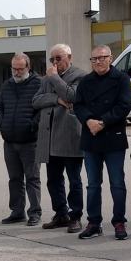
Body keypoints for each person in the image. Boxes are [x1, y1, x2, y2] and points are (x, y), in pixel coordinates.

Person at [74, 46, 131, 240]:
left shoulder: (121, 79)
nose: (98, 62)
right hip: (91, 138)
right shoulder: (85, 81)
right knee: (92, 185)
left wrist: (103, 122)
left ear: (111, 58)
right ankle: (93, 222)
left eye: (102, 58)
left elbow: (124, 105)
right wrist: (89, 120)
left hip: (113, 136)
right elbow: (78, 105)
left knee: (117, 183)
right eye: (94, 59)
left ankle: (119, 222)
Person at [33, 43, 86, 232]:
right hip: (50, 137)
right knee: (53, 179)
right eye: (52, 59)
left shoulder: (80, 75)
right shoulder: (46, 79)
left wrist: (55, 78)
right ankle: (61, 213)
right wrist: (55, 99)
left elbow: (71, 95)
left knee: (74, 180)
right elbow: (36, 100)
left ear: (69, 58)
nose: (55, 62)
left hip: (70, 136)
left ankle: (76, 215)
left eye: (59, 58)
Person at [0, 54, 42, 226]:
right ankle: (17, 211)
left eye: (20, 69)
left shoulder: (38, 83)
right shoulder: (7, 85)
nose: (16, 72)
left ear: (28, 67)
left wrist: (32, 125)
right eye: (14, 68)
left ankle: (35, 212)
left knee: (32, 178)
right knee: (14, 179)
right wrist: (0, 123)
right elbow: (0, 106)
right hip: (9, 141)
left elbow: (41, 111)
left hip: (30, 141)